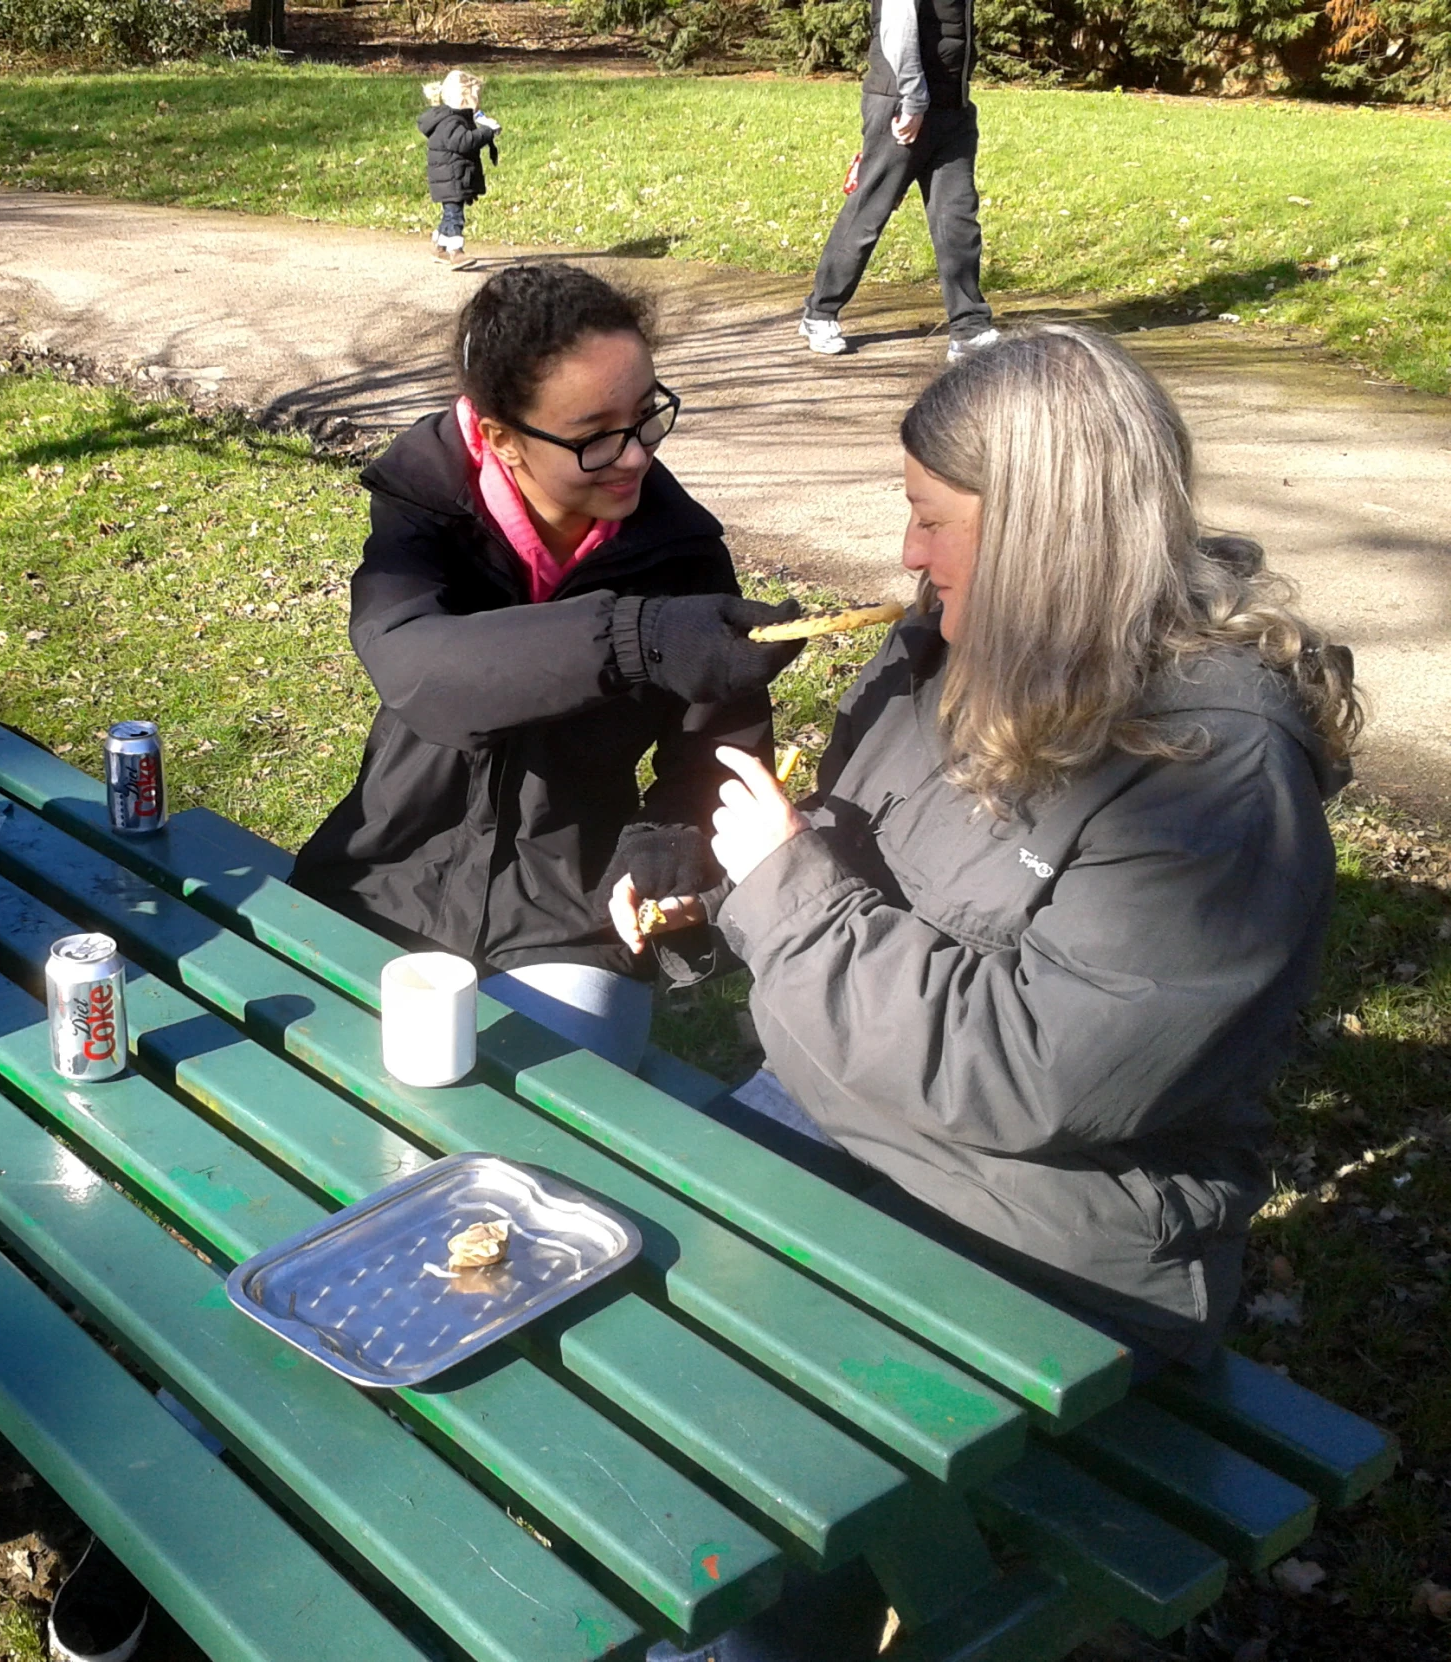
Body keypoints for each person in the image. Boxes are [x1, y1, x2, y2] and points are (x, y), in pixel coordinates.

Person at [617, 323, 1360, 1662]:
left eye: (931, 517)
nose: (906, 551)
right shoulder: (947, 654)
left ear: (1048, 534)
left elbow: (1027, 1069)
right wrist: (711, 881)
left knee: (753, 1459)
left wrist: (786, 892)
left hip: (1034, 1233)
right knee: (613, 1351)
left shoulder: (1216, 775)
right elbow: (849, 862)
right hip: (837, 1130)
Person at [294, 262, 805, 1071]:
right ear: (499, 435)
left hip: (572, 915)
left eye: (646, 416)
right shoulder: (428, 515)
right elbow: (419, 670)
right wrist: (635, 641)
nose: (634, 455)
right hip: (385, 880)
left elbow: (719, 754)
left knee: (542, 1133)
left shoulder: (681, 556)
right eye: (596, 432)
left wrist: (671, 848)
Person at [797, 0, 996, 361]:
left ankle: (969, 327)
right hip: (903, 104)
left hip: (952, 108)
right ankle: (820, 312)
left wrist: (953, 101)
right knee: (869, 212)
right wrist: (914, 100)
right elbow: (896, 26)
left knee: (958, 219)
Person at [419, 69, 502, 269]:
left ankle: (439, 246)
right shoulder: (451, 121)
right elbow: (463, 142)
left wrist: (480, 124)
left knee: (450, 213)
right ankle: (456, 252)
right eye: (475, 98)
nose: (478, 103)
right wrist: (486, 132)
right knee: (455, 215)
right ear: (464, 100)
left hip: (451, 177)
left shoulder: (452, 119)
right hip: (451, 178)